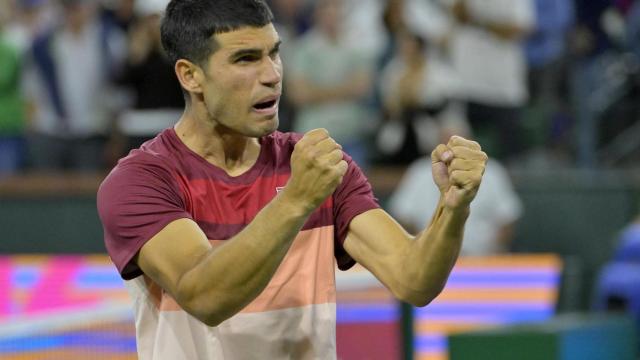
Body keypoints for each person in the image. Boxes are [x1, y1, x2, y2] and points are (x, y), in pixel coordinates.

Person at [96, 0, 487, 359]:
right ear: (191, 76)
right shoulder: (141, 180)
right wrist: (296, 200)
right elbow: (206, 296)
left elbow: (414, 279)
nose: (271, 75)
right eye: (245, 59)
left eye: (275, 53)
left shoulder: (318, 167)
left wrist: (452, 208)